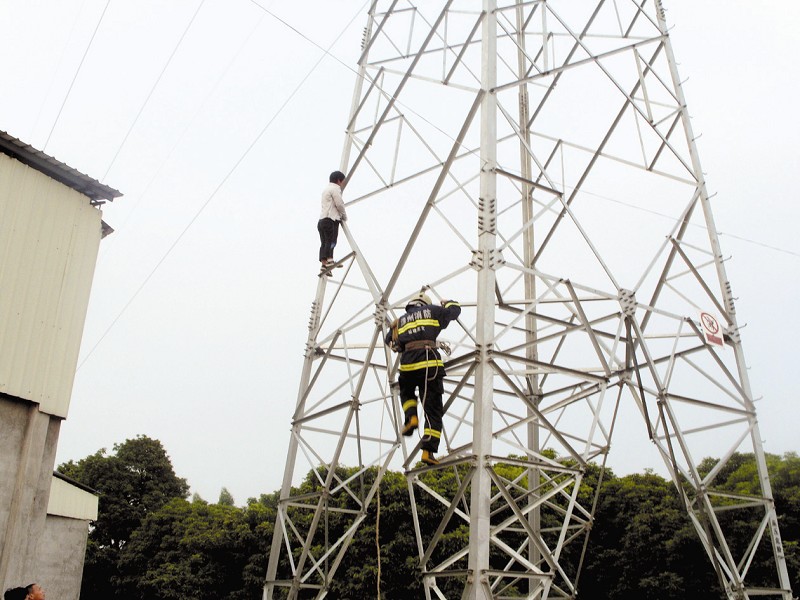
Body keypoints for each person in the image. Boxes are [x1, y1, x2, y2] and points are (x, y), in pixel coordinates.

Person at [386, 291, 461, 465]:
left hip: (408, 365)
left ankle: (411, 417)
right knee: (433, 411)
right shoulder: (433, 311)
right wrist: (447, 302)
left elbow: (390, 342)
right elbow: (454, 311)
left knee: (407, 393)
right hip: (429, 363)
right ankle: (428, 452)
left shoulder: (400, 321)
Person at [318, 170, 347, 274]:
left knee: (324, 242)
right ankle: (330, 260)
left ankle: (324, 264)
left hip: (322, 220)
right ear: (339, 181)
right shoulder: (335, 189)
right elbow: (339, 204)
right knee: (331, 241)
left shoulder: (325, 190)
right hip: (331, 219)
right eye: (342, 182)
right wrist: (344, 215)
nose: (342, 184)